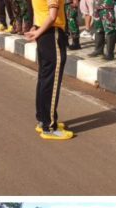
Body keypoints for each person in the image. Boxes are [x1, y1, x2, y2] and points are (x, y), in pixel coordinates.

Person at [25, 0, 75, 140]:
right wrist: (38, 32)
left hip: (44, 33)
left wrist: (37, 29)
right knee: (51, 82)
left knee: (44, 79)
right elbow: (52, 15)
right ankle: (49, 126)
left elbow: (40, 11)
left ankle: (43, 120)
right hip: (52, 34)